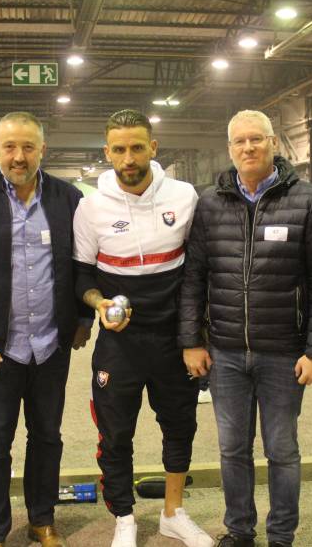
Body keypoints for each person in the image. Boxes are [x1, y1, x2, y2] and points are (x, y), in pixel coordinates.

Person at [179, 110, 312, 547]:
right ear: (230, 149)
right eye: (239, 142)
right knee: (232, 450)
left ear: (273, 144)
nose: (248, 148)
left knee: (282, 450)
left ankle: (281, 536)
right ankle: (240, 531)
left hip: (284, 352)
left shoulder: (308, 201)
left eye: (257, 140)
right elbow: (194, 278)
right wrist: (192, 341)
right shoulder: (209, 203)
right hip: (226, 353)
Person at [0, 111, 90, 547]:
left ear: (42, 149)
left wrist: (81, 320)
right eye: (9, 147)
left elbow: (85, 266)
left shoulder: (69, 199)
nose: (19, 156)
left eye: (28, 146)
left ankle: (42, 519)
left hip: (49, 346)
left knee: (47, 437)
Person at [73, 109, 212, 547]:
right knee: (116, 433)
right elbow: (81, 277)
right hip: (120, 343)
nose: (128, 158)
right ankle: (124, 519)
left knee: (180, 425)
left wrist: (196, 336)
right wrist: (99, 303)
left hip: (174, 340)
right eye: (119, 149)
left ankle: (173, 513)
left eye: (137, 147)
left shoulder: (185, 196)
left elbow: (199, 269)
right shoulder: (91, 207)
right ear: (107, 152)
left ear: (153, 148)